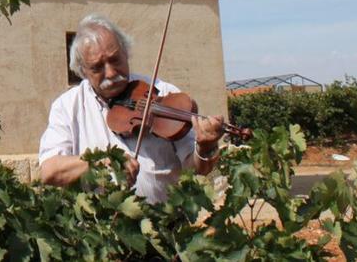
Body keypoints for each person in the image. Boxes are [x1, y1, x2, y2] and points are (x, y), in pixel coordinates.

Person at [38, 14, 225, 203]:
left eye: (116, 60)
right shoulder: (67, 106)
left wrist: (205, 147)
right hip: (98, 228)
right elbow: (50, 170)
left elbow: (195, 169)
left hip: (166, 226)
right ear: (82, 71)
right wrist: (100, 163)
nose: (111, 73)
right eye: (97, 68)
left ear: (126, 52)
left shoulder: (163, 93)